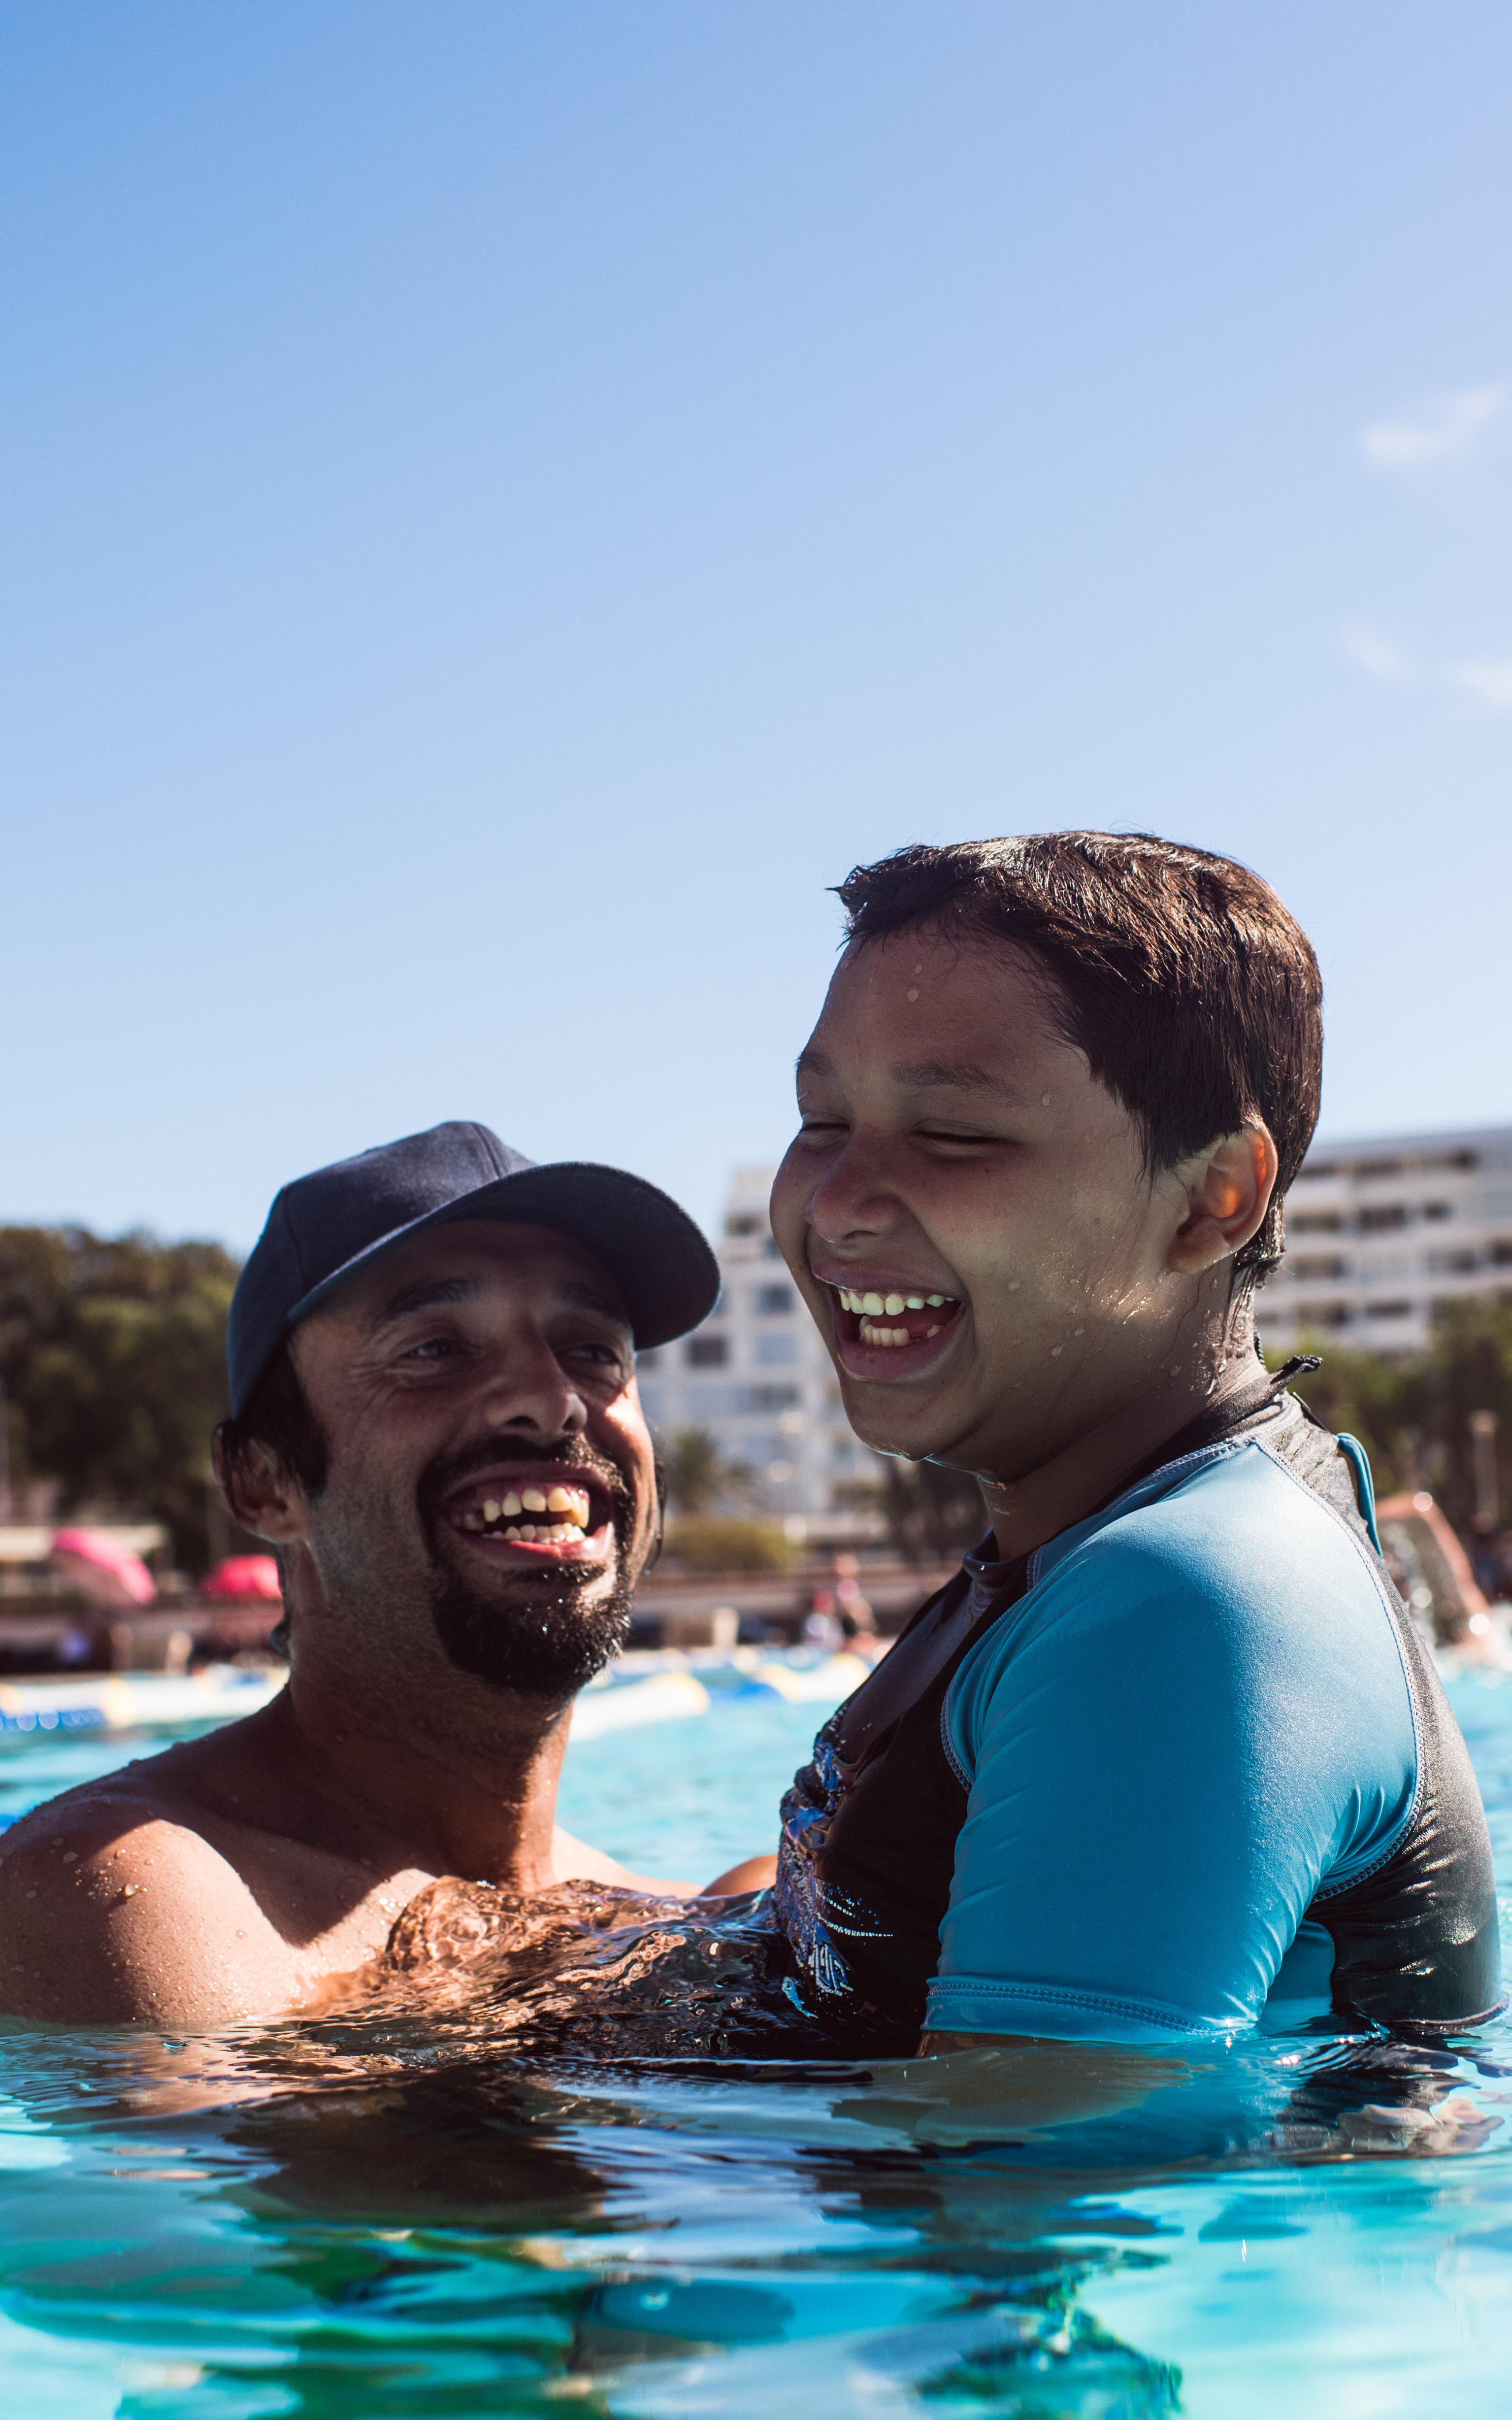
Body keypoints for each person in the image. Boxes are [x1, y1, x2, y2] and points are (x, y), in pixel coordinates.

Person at [731, 833, 1500, 2053]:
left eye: (953, 1136)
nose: (834, 1202)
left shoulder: (1184, 1605)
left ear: (1210, 1199)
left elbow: (1023, 2198)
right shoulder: (1083, 1535)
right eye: (820, 1119)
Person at [0, 1120, 720, 2028]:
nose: (551, 1399)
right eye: (433, 1351)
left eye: (593, 1350)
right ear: (262, 1483)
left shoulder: (684, 1916)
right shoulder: (139, 1883)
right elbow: (298, 2171)